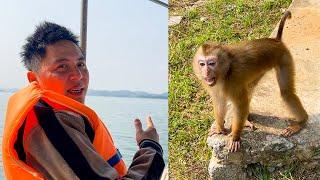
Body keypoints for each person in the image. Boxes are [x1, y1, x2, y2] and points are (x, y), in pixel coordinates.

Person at [2, 22, 165, 180]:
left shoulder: (61, 114)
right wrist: (150, 146)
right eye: (62, 67)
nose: (78, 76)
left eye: (80, 64)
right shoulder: (50, 124)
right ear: (33, 79)